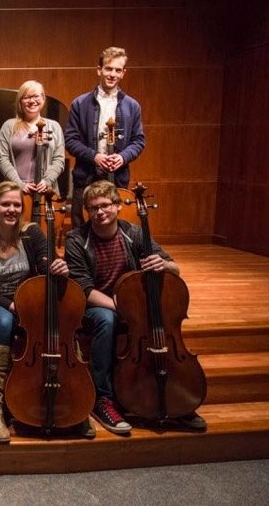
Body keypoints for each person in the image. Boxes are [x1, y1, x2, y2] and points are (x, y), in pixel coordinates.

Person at [64, 180, 206, 434]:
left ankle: (171, 395)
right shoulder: (77, 239)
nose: (100, 212)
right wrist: (122, 308)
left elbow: (174, 267)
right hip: (96, 305)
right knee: (106, 320)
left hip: (131, 302)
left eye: (105, 205)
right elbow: (83, 289)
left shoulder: (134, 233)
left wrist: (164, 265)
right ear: (87, 211)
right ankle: (102, 398)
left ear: (118, 206)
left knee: (157, 313)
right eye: (93, 208)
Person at [0, 181, 84, 443]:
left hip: (29, 304)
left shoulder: (32, 234)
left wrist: (60, 270)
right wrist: (14, 306)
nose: (12, 209)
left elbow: (46, 268)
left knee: (60, 315)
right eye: (5, 204)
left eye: (17, 204)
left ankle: (75, 402)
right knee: (4, 322)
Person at [65, 47, 145, 228]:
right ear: (99, 70)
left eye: (118, 70)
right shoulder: (80, 103)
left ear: (123, 73)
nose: (112, 74)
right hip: (86, 176)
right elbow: (70, 140)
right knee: (81, 229)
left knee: (116, 228)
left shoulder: (132, 106)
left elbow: (138, 141)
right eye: (108, 69)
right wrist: (95, 157)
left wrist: (122, 157)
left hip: (118, 177)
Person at [0, 80, 65, 197]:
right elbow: (2, 159)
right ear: (20, 101)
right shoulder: (9, 126)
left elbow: (59, 159)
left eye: (36, 96)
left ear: (43, 98)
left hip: (46, 189)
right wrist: (19, 184)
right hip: (15, 189)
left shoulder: (54, 126)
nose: (32, 101)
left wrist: (47, 181)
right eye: (27, 97)